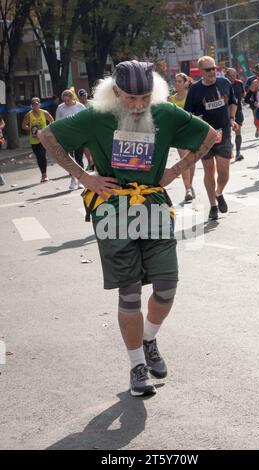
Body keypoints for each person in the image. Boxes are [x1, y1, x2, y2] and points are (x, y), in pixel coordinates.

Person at [39, 60, 217, 397]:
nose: (137, 106)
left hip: (153, 204)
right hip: (112, 210)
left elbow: (209, 136)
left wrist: (175, 170)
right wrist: (84, 177)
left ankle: (148, 338)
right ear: (115, 92)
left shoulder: (164, 113)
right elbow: (47, 136)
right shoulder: (96, 116)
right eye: (130, 99)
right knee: (130, 291)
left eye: (145, 98)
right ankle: (137, 366)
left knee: (166, 287)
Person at [184, 56, 238, 221]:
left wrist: (232, 119)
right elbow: (188, 113)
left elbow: (233, 102)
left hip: (224, 134)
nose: (212, 72)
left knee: (224, 172)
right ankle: (213, 205)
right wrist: (196, 119)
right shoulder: (195, 90)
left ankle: (219, 192)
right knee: (209, 170)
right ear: (201, 72)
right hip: (204, 136)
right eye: (208, 70)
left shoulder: (224, 83)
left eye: (214, 68)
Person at [169, 73, 195, 201]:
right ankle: (188, 189)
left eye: (179, 81)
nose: (177, 83)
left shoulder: (192, 96)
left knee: (192, 161)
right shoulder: (171, 99)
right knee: (185, 160)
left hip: (193, 132)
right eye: (175, 81)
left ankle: (190, 184)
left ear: (186, 83)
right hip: (179, 134)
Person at [55, 89, 86, 190]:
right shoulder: (60, 108)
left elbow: (86, 120)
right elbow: (57, 123)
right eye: (64, 101)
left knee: (79, 158)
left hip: (78, 136)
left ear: (72, 98)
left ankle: (81, 180)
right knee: (69, 159)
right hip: (66, 137)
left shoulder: (80, 107)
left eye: (68, 100)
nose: (66, 103)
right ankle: (73, 179)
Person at [22, 97, 54, 182]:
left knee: (42, 155)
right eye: (33, 104)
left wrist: (46, 130)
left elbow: (52, 121)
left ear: (39, 104)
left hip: (43, 138)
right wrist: (32, 129)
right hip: (33, 139)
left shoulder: (45, 113)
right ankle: (43, 173)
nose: (35, 106)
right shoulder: (28, 115)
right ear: (31, 106)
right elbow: (23, 126)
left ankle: (44, 175)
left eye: (36, 104)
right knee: (39, 157)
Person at [226, 68, 245, 161]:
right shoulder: (224, 84)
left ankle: (238, 152)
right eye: (231, 75)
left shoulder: (239, 83)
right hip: (226, 112)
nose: (233, 77)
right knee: (227, 132)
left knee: (238, 130)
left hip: (238, 111)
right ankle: (229, 148)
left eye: (234, 75)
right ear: (227, 76)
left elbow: (243, 94)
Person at [77, 88, 94, 170]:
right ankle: (90, 162)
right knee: (85, 146)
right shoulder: (78, 105)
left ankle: (96, 162)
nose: (83, 98)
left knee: (94, 146)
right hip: (83, 128)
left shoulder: (92, 104)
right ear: (79, 97)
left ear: (86, 95)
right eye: (81, 96)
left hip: (92, 126)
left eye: (84, 96)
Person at [245, 64, 259, 138]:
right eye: (257, 71)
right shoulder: (250, 79)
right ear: (254, 71)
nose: (258, 73)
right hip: (254, 101)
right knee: (256, 119)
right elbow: (246, 89)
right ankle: (258, 128)